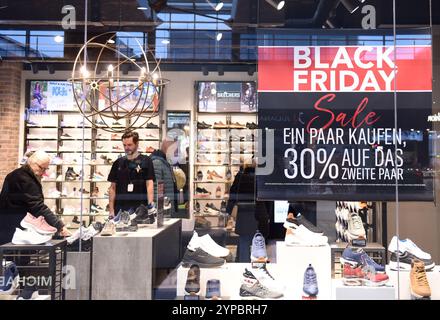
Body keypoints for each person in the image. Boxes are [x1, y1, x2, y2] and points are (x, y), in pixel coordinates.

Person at [0, 150, 70, 245]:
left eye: (46, 169)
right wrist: (59, 226)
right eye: (42, 168)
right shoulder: (23, 178)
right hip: (15, 228)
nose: (43, 172)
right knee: (17, 256)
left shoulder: (19, 175)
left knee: (14, 255)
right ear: (32, 162)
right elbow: (37, 206)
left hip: (12, 224)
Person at [226, 161, 269, 262]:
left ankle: (243, 264)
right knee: (259, 243)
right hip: (258, 212)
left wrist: (229, 209)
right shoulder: (261, 176)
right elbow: (267, 197)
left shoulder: (241, 176)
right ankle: (256, 264)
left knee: (244, 241)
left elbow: (233, 193)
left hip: (244, 212)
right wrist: (267, 214)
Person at [107, 131, 156, 217]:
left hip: (140, 208)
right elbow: (112, 188)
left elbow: (149, 184)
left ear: (137, 144)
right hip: (121, 209)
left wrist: (150, 205)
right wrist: (111, 210)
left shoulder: (146, 161)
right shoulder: (117, 163)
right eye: (124, 145)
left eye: (129, 145)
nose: (126, 148)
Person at [150, 141, 178, 215]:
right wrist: (159, 211)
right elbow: (156, 189)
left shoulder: (164, 163)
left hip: (166, 207)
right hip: (162, 210)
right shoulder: (157, 162)